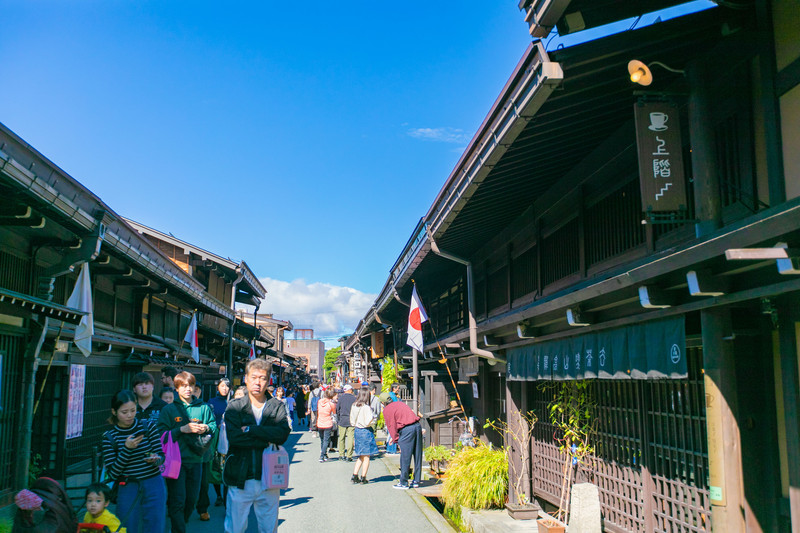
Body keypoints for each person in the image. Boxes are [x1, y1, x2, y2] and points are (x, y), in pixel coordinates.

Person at [223, 358, 291, 533]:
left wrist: (252, 430)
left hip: (269, 477)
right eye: (254, 377)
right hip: (240, 477)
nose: (257, 382)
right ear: (246, 378)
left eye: (262, 378)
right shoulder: (234, 407)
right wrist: (267, 436)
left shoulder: (276, 406)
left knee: (269, 528)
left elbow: (282, 434)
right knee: (235, 528)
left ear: (268, 381)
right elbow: (235, 438)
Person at [157, 372, 216, 533]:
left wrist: (206, 427)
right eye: (183, 386)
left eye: (190, 385)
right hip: (176, 460)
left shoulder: (203, 407)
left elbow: (213, 425)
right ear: (176, 388)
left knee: (191, 499)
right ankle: (178, 529)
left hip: (197, 459)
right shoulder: (168, 410)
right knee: (178, 500)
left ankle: (180, 523)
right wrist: (182, 429)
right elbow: (161, 433)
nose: (188, 389)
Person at [102, 390, 166, 533]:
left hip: (153, 482)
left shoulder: (147, 426)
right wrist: (127, 449)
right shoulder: (109, 437)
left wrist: (156, 459)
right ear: (114, 411)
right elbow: (112, 473)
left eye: (133, 410)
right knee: (127, 526)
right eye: (124, 412)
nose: (130, 415)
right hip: (127, 485)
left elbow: (161, 455)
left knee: (155, 525)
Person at [380, 392, 422, 489]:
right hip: (417, 426)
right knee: (417, 454)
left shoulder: (387, 410)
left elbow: (391, 426)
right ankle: (416, 480)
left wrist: (395, 439)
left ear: (383, 402)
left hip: (406, 430)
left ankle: (403, 482)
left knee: (405, 456)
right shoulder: (400, 403)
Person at [207, 378, 231, 507]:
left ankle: (227, 495)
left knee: (227, 465)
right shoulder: (212, 402)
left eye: (227, 386)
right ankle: (219, 495)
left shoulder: (232, 402)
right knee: (216, 465)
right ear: (218, 387)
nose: (224, 389)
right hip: (216, 436)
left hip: (229, 437)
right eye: (222, 386)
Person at [350, 389, 379, 484]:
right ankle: (363, 477)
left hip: (357, 430)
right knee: (366, 456)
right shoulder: (366, 407)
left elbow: (352, 420)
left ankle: (354, 475)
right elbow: (367, 421)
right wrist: (373, 420)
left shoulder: (354, 405)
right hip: (365, 431)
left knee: (360, 455)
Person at [336, 385, 356, 462]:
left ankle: (341, 454)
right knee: (350, 437)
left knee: (341, 438)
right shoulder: (354, 398)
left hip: (342, 419)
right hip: (351, 420)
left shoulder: (341, 398)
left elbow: (337, 409)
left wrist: (338, 418)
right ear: (350, 390)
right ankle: (349, 455)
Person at [316, 388, 336, 462]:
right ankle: (322, 455)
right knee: (326, 440)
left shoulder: (319, 402)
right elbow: (334, 413)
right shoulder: (331, 404)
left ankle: (324, 454)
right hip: (327, 423)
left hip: (320, 423)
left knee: (322, 440)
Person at [385, 383, 401, 455]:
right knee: (393, 432)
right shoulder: (393, 396)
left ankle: (390, 448)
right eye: (398, 388)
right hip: (393, 416)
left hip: (389, 415)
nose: (398, 389)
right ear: (394, 388)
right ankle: (391, 449)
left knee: (390, 432)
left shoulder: (390, 395)